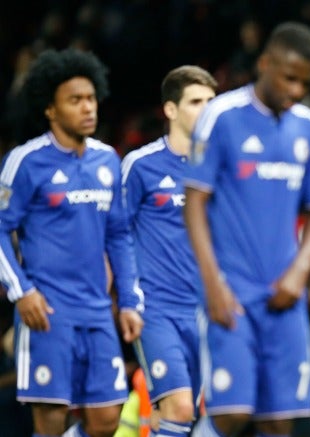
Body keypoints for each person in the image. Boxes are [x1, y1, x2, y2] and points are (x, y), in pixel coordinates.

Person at [184, 22, 310, 437]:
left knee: (278, 421)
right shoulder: (221, 116)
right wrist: (212, 284)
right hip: (231, 290)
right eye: (289, 77)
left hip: (283, 293)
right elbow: (194, 204)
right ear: (264, 64)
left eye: (305, 82)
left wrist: (300, 272)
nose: (297, 90)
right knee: (232, 414)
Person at [0, 48, 144, 437]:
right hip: (47, 311)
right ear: (50, 109)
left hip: (98, 311)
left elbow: (119, 235)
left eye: (91, 98)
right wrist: (22, 293)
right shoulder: (26, 161)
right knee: (49, 421)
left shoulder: (108, 161)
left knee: (106, 420)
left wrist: (129, 302)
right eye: (75, 100)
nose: (87, 108)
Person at [121, 65, 217, 436]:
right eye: (196, 102)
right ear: (171, 109)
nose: (206, 110)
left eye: (211, 102)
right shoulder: (140, 166)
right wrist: (127, 297)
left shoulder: (219, 169)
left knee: (196, 412)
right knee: (176, 406)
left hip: (207, 310)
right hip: (157, 308)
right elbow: (117, 234)